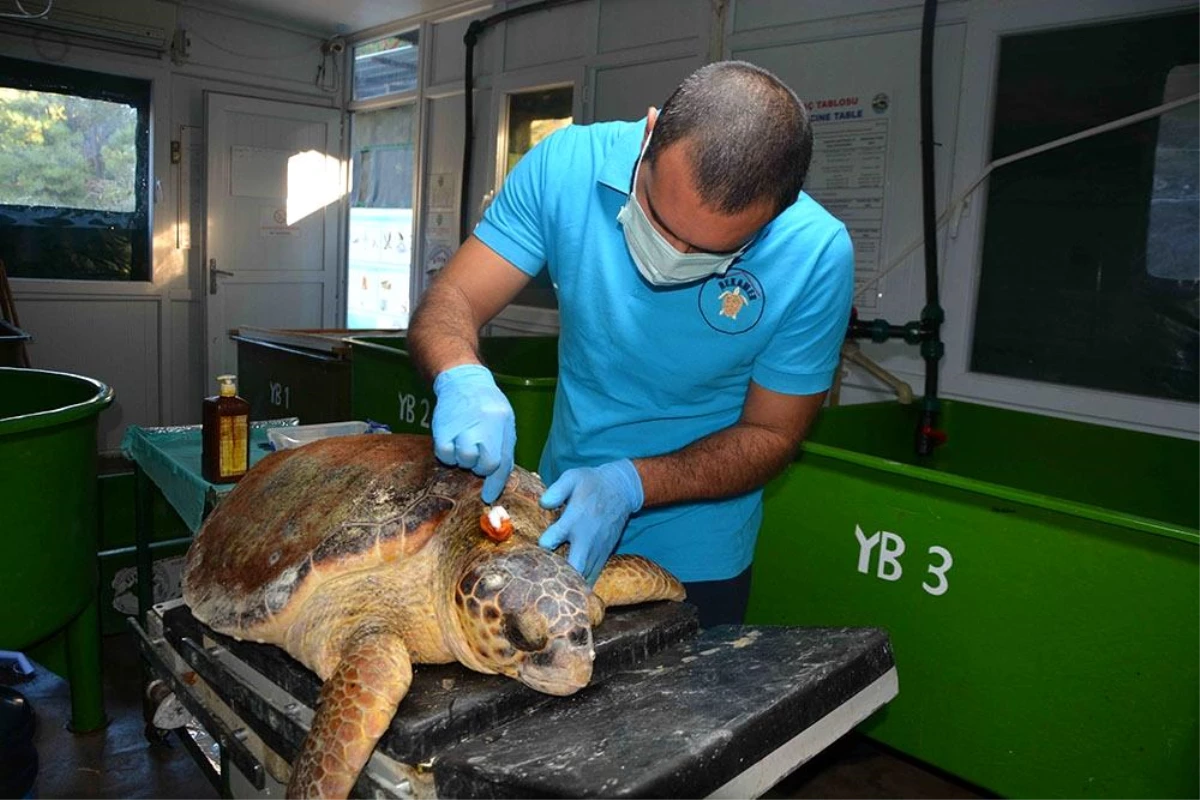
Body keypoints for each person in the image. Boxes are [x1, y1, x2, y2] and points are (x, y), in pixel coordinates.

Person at [408, 61, 854, 628]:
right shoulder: (566, 165)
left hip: (699, 548)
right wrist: (461, 375)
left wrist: (631, 483)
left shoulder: (816, 253)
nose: (671, 255)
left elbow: (772, 434)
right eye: (657, 216)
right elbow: (454, 300)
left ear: (778, 214)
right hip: (554, 517)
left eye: (707, 252)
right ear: (649, 135)